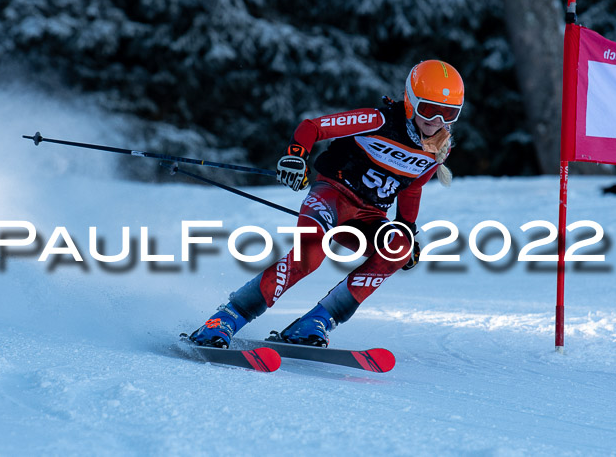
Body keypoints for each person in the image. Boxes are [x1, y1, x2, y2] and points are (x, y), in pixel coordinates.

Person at [188, 59, 464, 348]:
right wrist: (297, 155)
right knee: (309, 257)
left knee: (399, 248)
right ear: (410, 102)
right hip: (331, 198)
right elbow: (312, 127)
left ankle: (316, 321)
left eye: (449, 113)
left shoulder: (436, 150)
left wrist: (407, 228)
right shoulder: (379, 121)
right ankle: (226, 318)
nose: (438, 121)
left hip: (367, 218)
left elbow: (411, 190)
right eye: (429, 109)